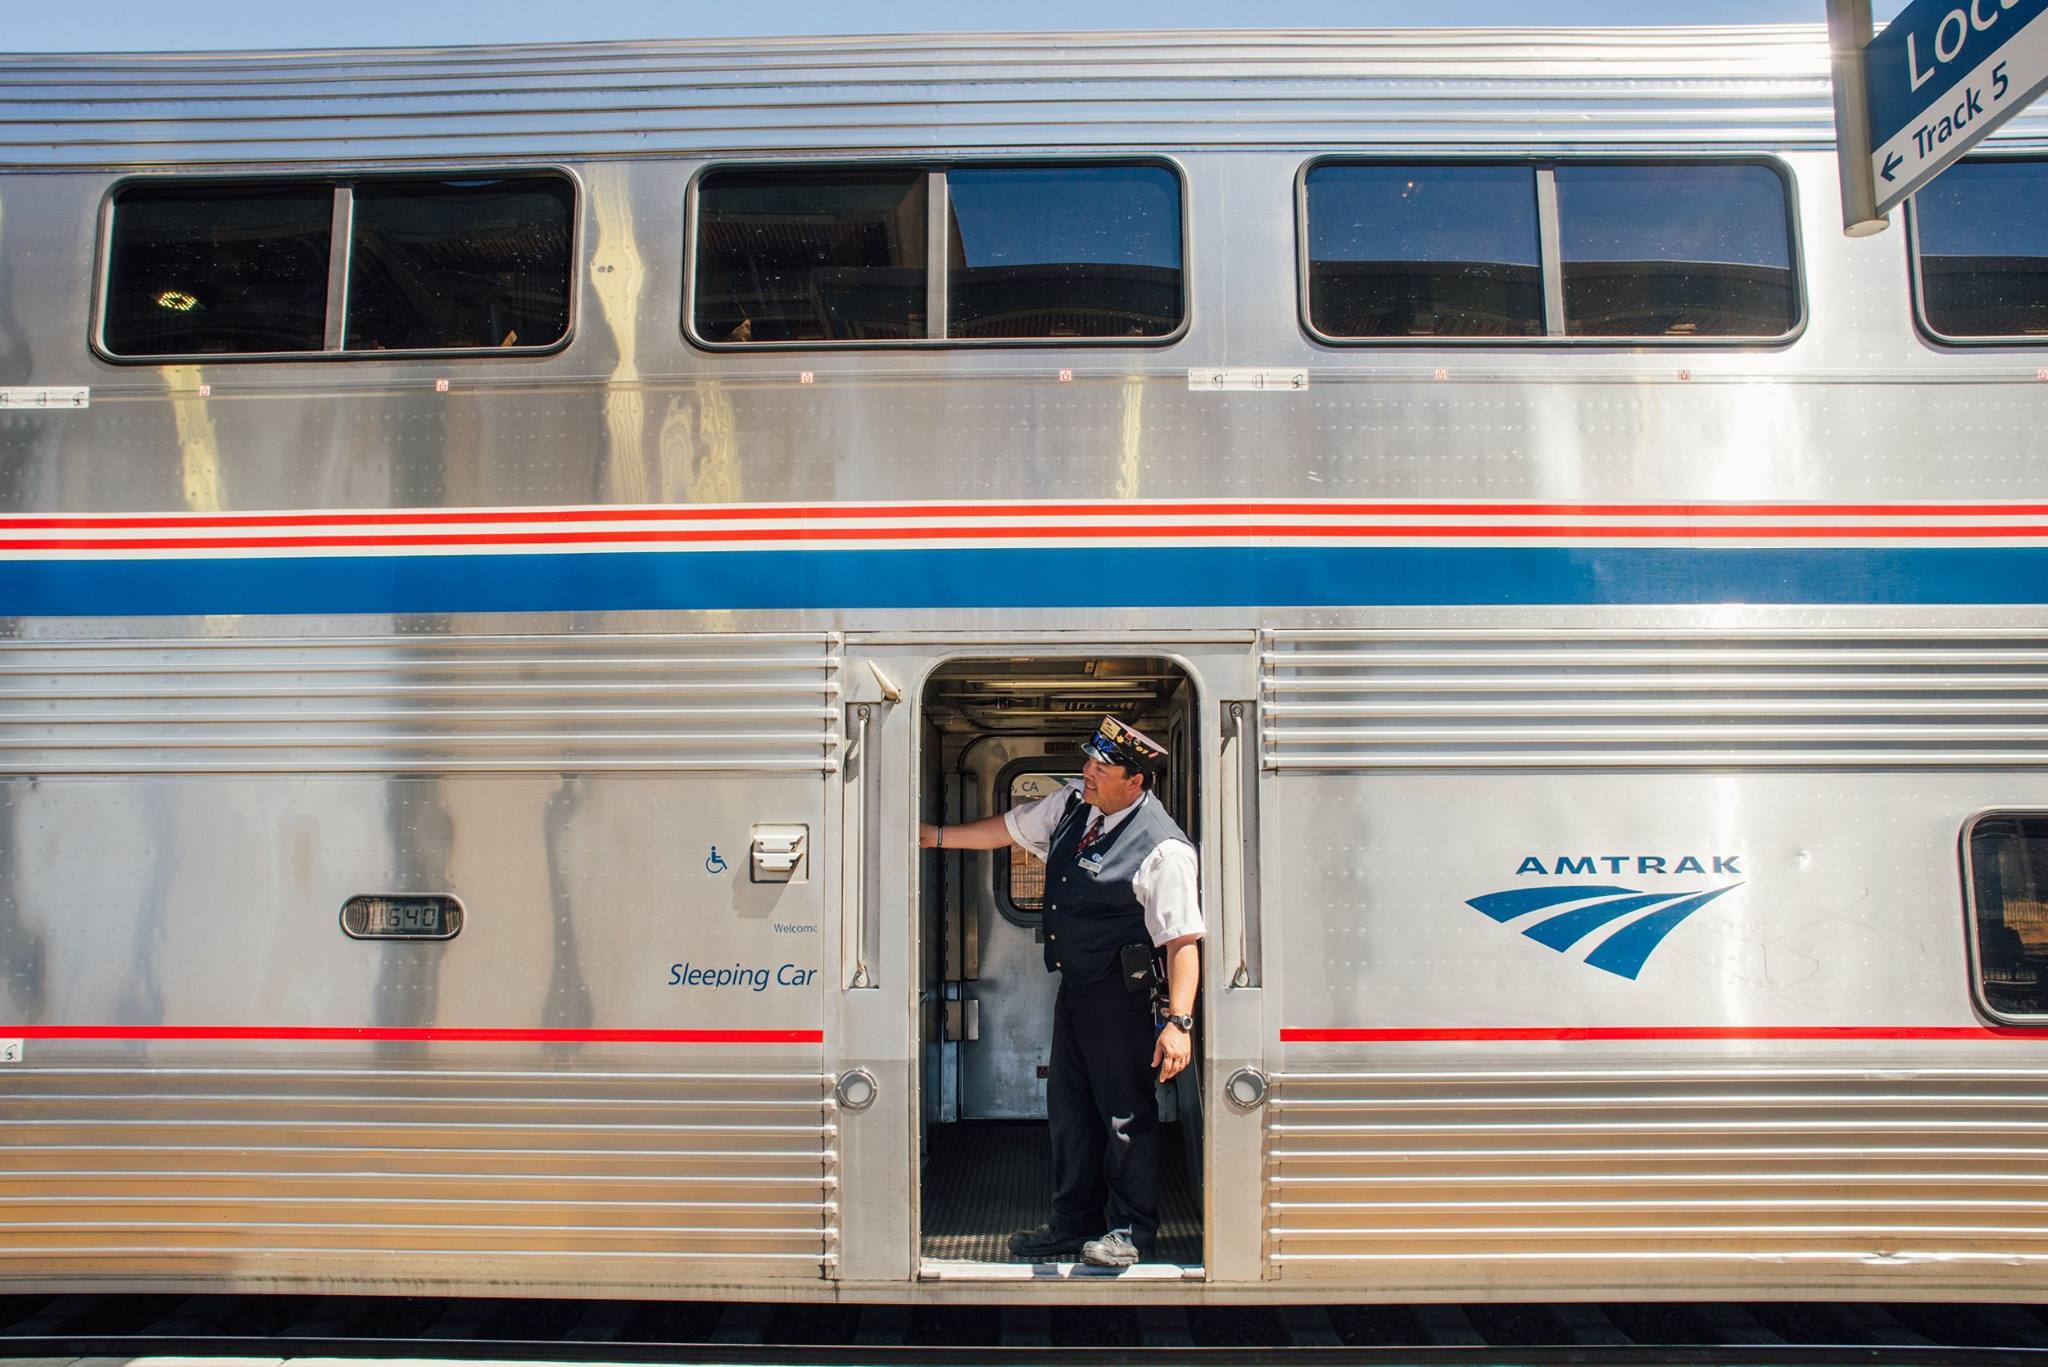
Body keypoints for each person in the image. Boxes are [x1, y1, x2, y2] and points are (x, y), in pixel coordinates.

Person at [919, 715, 1201, 1268]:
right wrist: (937, 838)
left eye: (1101, 767)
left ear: (1136, 781)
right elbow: (1007, 828)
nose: (1087, 772)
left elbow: (1183, 942)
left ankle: (1129, 1232)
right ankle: (1072, 1224)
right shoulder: (1075, 803)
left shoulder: (1165, 850)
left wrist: (1179, 1023)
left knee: (1124, 1115)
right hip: (1077, 990)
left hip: (1122, 999)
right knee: (1070, 1110)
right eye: (1089, 762)